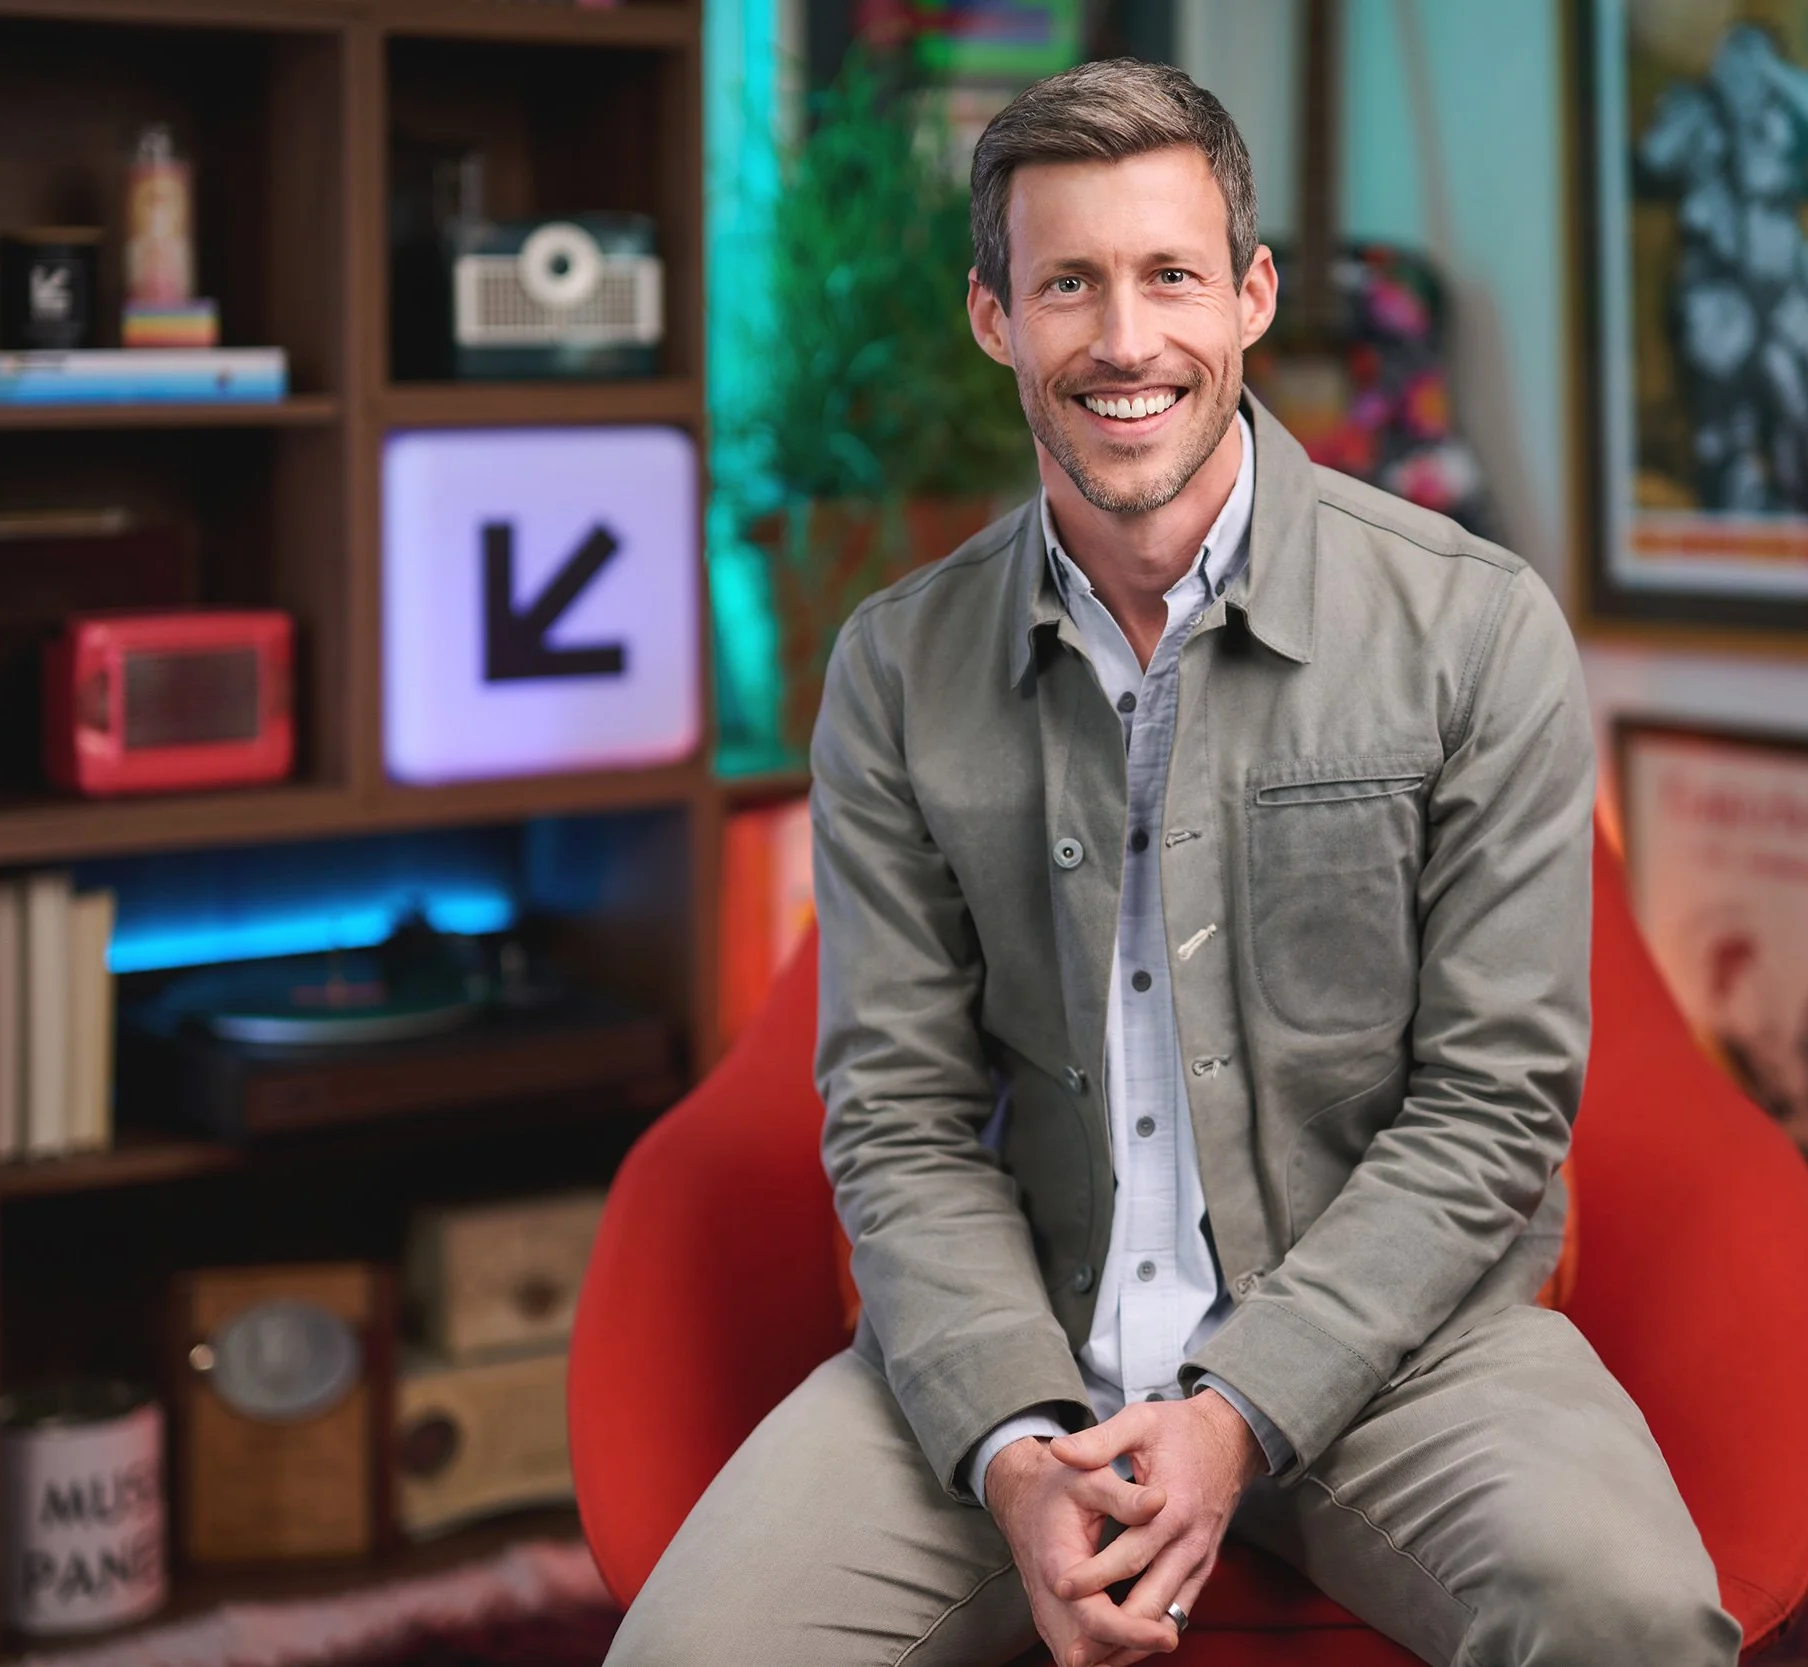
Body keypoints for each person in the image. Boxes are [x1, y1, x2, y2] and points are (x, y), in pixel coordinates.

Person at [606, 58, 1739, 1667]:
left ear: (1253, 295)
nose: (1126, 340)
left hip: (1403, 1352)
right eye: (1069, 283)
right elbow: (901, 1119)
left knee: (1627, 1617)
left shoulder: (1476, 630)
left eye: (1170, 277)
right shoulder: (892, 671)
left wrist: (1239, 1407)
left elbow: (1495, 1100)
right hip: (1025, 1341)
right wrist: (1005, 1437)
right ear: (996, 316)